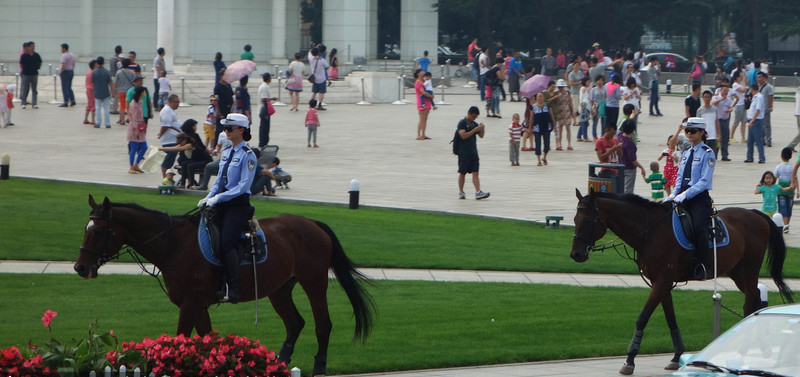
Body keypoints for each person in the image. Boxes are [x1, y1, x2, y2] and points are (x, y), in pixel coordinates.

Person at [197, 113, 258, 304]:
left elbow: (242, 186)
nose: (226, 132)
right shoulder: (226, 152)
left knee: (226, 243)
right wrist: (207, 197)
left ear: (241, 129)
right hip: (221, 202)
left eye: (229, 128)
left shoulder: (248, 156)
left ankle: (233, 288)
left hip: (237, 205)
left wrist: (218, 198)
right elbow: (219, 181)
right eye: (225, 128)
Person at [665, 117, 716, 281]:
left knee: (697, 227)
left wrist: (685, 194)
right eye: (687, 130)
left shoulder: (708, 153)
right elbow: (680, 176)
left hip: (698, 199)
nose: (689, 134)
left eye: (692, 131)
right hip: (681, 196)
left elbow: (704, 181)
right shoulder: (686, 153)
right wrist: (674, 193)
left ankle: (704, 265)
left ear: (702, 132)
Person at [160, 122, 212, 188]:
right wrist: (160, 149)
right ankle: (182, 184)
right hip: (196, 160)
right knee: (184, 164)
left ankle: (191, 184)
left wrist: (161, 149)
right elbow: (174, 148)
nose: (180, 144)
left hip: (206, 160)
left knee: (190, 166)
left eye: (181, 142)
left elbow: (181, 148)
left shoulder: (189, 144)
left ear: (185, 140)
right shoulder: (183, 143)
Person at [456, 106, 490, 200]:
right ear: (469, 114)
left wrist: (482, 128)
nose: (474, 119)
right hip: (464, 152)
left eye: (475, 117)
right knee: (462, 173)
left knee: (476, 172)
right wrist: (474, 130)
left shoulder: (474, 124)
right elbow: (463, 135)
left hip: (473, 152)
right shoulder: (462, 123)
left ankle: (478, 191)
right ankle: (461, 191)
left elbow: (481, 136)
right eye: (473, 117)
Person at [618, 119, 646, 194]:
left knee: (619, 188)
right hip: (629, 168)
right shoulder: (629, 143)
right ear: (633, 130)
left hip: (619, 166)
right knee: (628, 190)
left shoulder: (619, 136)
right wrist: (641, 167)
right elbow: (633, 159)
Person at [126, 86, 148, 174]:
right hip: (134, 127)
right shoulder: (134, 103)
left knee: (144, 146)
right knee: (134, 147)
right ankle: (131, 166)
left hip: (140, 126)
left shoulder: (140, 102)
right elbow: (133, 117)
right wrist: (136, 129)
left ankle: (136, 164)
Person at [158, 94, 181, 177]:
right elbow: (165, 125)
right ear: (170, 102)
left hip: (173, 138)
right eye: (176, 102)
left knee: (171, 159)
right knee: (169, 158)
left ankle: (168, 176)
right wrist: (161, 134)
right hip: (169, 140)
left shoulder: (170, 110)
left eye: (178, 102)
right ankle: (165, 177)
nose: (178, 104)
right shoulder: (167, 111)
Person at [711, 83, 736, 161]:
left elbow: (731, 107)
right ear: (720, 90)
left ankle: (724, 155)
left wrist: (730, 110)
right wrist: (721, 99)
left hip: (725, 121)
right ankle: (715, 155)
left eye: (727, 91)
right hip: (717, 121)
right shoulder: (715, 97)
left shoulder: (729, 100)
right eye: (724, 90)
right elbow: (713, 103)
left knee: (725, 138)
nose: (726, 92)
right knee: (718, 138)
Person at [530, 92, 555, 167]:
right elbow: (531, 118)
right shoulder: (533, 107)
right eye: (538, 96)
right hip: (537, 127)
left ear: (543, 97)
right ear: (536, 98)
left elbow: (551, 115)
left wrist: (554, 125)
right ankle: (538, 160)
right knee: (538, 143)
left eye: (541, 96)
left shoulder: (547, 105)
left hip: (547, 127)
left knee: (547, 143)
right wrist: (530, 128)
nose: (540, 98)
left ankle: (544, 157)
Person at [744, 84, 766, 163]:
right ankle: (750, 157)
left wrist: (752, 121)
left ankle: (762, 158)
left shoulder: (759, 97)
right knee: (750, 141)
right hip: (752, 120)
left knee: (758, 140)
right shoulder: (755, 97)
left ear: (752, 89)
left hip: (756, 121)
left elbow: (758, 110)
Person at [775, 147, 794, 233]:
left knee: (783, 208)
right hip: (791, 191)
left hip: (781, 191)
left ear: (781, 156)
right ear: (791, 157)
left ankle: (785, 225)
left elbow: (775, 178)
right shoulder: (792, 167)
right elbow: (795, 179)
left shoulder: (778, 167)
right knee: (789, 208)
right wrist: (798, 191)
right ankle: (787, 225)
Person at [213, 70, 234, 145]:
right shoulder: (217, 87)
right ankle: (216, 145)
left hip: (229, 109)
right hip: (222, 109)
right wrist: (218, 111)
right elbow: (216, 100)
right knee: (219, 129)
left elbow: (231, 96)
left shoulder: (228, 85)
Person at [696, 90, 720, 158]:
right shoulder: (700, 110)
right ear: (703, 98)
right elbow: (698, 124)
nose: (707, 99)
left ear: (711, 98)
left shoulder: (715, 109)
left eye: (708, 97)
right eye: (705, 97)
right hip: (704, 136)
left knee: (713, 156)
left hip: (713, 135)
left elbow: (717, 121)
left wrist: (718, 134)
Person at [18, 41, 42, 109]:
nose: (33, 47)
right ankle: (23, 103)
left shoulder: (36, 55)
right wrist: (24, 70)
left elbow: (40, 62)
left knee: (34, 89)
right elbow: (21, 64)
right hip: (26, 74)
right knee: (25, 89)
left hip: (34, 74)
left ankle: (34, 103)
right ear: (28, 47)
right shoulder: (24, 55)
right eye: (32, 46)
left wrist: (37, 67)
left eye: (34, 46)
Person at [91, 56, 113, 129]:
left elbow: (93, 81)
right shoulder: (106, 71)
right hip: (105, 92)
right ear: (103, 63)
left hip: (97, 91)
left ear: (97, 63)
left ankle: (98, 122)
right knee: (106, 108)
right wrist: (113, 91)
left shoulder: (94, 72)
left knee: (98, 108)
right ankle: (107, 123)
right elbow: (110, 83)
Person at [258, 73, 278, 148]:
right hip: (264, 111)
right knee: (264, 128)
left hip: (264, 110)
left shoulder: (264, 86)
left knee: (264, 127)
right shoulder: (264, 87)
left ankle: (263, 142)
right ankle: (263, 143)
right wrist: (272, 99)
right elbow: (263, 99)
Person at [414, 68, 433, 140]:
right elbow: (423, 92)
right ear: (418, 74)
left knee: (425, 119)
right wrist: (430, 96)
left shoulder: (425, 81)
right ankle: (418, 134)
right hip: (421, 102)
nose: (423, 72)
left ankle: (423, 134)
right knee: (421, 119)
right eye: (421, 71)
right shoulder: (418, 82)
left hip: (427, 101)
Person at [114, 58, 135, 125]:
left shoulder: (119, 72)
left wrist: (114, 91)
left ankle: (122, 120)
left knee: (122, 106)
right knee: (130, 106)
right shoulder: (132, 72)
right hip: (130, 91)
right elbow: (134, 82)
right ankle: (130, 118)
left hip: (121, 91)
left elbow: (115, 83)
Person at [555, 79, 574, 150]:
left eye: (562, 87)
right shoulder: (556, 93)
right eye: (559, 87)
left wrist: (573, 111)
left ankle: (569, 144)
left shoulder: (567, 92)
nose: (561, 88)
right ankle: (559, 143)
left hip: (567, 111)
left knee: (568, 128)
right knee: (560, 128)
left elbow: (570, 102)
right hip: (559, 112)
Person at [756, 72, 774, 147]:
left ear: (764, 78)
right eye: (758, 77)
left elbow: (771, 97)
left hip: (765, 109)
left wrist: (770, 106)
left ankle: (768, 140)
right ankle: (762, 140)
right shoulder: (758, 87)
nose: (758, 79)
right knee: (760, 126)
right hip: (759, 110)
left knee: (766, 126)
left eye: (760, 77)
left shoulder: (769, 87)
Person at [730, 71, 747, 143]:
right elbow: (743, 90)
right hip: (738, 105)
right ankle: (731, 136)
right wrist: (744, 82)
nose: (742, 77)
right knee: (736, 121)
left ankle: (743, 137)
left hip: (743, 104)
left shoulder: (740, 84)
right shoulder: (735, 85)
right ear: (736, 77)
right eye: (740, 76)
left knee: (744, 121)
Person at [58, 43, 76, 107]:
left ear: (64, 49)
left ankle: (65, 101)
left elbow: (63, 65)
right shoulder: (72, 55)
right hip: (71, 71)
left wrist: (60, 71)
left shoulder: (64, 55)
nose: (61, 50)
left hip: (65, 72)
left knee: (64, 87)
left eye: (62, 48)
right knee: (69, 87)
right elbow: (73, 64)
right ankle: (72, 100)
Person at [109, 45, 123, 115]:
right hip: (115, 78)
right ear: (120, 51)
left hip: (111, 77)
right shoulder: (118, 60)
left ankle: (111, 107)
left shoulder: (111, 58)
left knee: (112, 93)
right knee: (116, 94)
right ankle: (114, 109)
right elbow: (119, 69)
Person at [83, 60, 96, 125]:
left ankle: (86, 119)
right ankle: (93, 119)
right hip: (92, 89)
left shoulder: (88, 72)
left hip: (88, 89)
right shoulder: (93, 73)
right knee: (93, 104)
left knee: (89, 104)